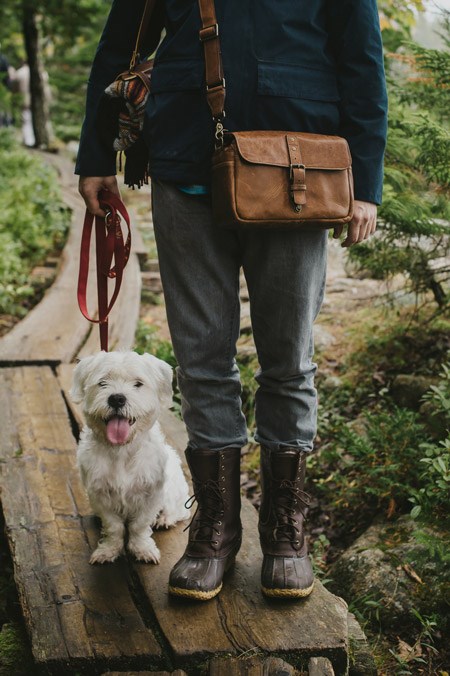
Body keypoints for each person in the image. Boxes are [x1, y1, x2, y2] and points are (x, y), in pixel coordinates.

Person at [76, 0, 388, 601]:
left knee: (290, 360)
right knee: (200, 361)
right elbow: (120, 45)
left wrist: (364, 181)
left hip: (298, 170)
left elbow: (362, 62)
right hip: (183, 164)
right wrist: (96, 156)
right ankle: (215, 532)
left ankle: (286, 534)